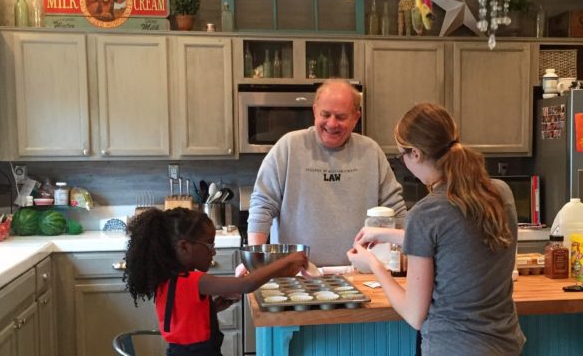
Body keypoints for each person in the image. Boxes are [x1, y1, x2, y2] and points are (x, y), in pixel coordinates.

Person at [347, 103, 525, 356]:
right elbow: (456, 242)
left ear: (416, 154)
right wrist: (384, 233)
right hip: (507, 346)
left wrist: (373, 264)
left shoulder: (426, 212)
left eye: (401, 156)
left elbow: (414, 315)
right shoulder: (500, 193)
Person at [238, 79, 406, 270]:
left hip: (359, 273)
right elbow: (262, 206)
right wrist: (255, 258)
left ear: (356, 117)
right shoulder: (288, 147)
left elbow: (396, 211)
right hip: (296, 274)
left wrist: (406, 258)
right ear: (314, 110)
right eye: (325, 114)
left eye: (341, 117)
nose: (332, 124)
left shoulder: (371, 152)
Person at [124, 207, 307, 356]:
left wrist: (214, 306)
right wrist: (287, 261)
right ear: (184, 247)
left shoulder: (166, 279)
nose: (213, 251)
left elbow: (182, 318)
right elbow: (246, 284)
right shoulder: (195, 280)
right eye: (209, 244)